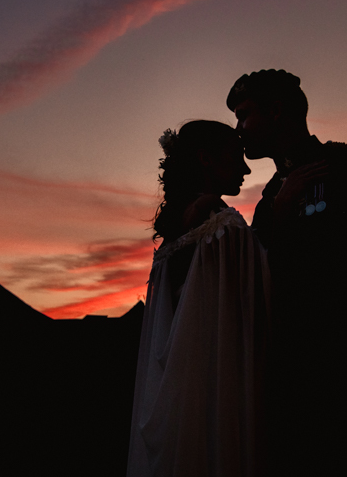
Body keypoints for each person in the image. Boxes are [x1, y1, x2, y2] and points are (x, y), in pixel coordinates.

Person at [226, 69, 347, 473]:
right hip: (300, 388)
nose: (238, 129)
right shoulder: (267, 205)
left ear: (276, 111)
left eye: (244, 116)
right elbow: (261, 290)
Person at [127, 120, 271, 477]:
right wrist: (278, 214)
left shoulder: (175, 235)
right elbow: (261, 300)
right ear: (206, 159)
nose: (246, 168)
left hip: (181, 397)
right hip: (224, 392)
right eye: (236, 157)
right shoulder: (224, 228)